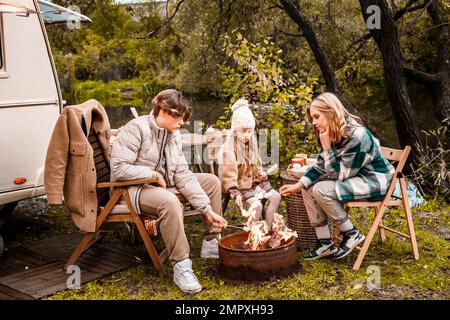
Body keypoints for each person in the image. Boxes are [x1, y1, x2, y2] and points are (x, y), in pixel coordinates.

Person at [110, 89, 227, 294]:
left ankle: (211, 240)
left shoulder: (172, 134)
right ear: (163, 111)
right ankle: (181, 266)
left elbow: (181, 172)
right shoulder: (136, 128)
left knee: (211, 181)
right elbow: (119, 168)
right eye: (179, 117)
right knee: (170, 201)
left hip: (164, 184)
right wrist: (152, 174)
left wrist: (206, 209)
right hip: (133, 189)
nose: (182, 122)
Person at [280, 92, 394, 260]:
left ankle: (351, 233)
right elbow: (321, 165)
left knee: (320, 189)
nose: (314, 122)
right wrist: (299, 185)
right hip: (355, 177)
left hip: (374, 181)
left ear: (331, 112)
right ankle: (325, 242)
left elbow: (338, 175)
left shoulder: (357, 136)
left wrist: (327, 149)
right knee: (308, 187)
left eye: (317, 117)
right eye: (313, 118)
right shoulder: (334, 132)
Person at [217, 98, 281, 229]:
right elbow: (228, 175)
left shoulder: (251, 142)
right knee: (257, 206)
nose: (246, 135)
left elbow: (256, 163)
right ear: (235, 130)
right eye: (243, 131)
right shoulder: (229, 147)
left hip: (252, 181)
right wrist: (234, 191)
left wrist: (260, 173)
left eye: (249, 131)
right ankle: (253, 235)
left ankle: (266, 229)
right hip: (238, 185)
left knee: (276, 197)